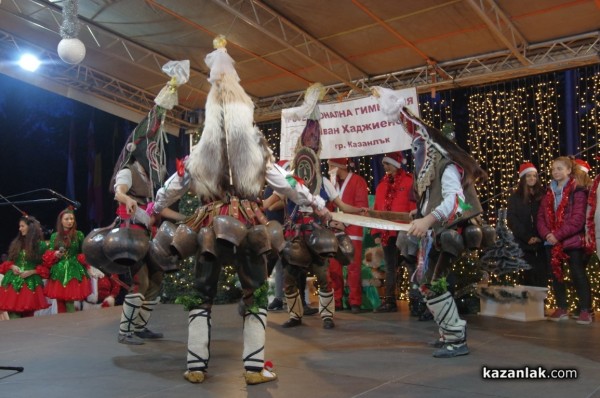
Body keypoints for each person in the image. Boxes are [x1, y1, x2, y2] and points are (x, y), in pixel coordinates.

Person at [149, 35, 331, 385]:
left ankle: (195, 365)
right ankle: (253, 367)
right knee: (255, 290)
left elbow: (172, 185)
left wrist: (154, 209)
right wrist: (317, 205)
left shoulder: (199, 152)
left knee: (202, 292)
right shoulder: (258, 151)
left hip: (208, 224)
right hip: (247, 222)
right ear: (243, 113)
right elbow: (289, 185)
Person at [372, 86, 487, 358]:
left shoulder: (445, 164)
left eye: (418, 145)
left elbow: (456, 202)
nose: (415, 149)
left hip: (450, 233)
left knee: (431, 283)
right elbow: (433, 199)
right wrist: (419, 213)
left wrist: (427, 219)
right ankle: (449, 333)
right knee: (428, 283)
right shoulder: (430, 167)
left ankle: (456, 339)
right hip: (439, 231)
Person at [537, 156, 592, 325]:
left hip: (571, 240)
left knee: (577, 274)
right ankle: (562, 307)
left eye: (560, 168)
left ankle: (585, 310)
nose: (555, 172)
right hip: (551, 242)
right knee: (555, 275)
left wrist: (558, 235)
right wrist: (547, 235)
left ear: (569, 170)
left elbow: (577, 219)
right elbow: (540, 217)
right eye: (553, 169)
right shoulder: (548, 193)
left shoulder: (578, 191)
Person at [371, 152, 416, 312]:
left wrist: (413, 227)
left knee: (410, 265)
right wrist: (376, 232)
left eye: (387, 164)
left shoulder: (410, 182)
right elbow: (377, 210)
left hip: (405, 231)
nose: (385, 167)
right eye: (383, 164)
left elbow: (413, 207)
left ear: (396, 165)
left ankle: (416, 300)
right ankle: (390, 301)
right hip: (387, 233)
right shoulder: (381, 186)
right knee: (390, 266)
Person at [327, 157, 369, 313]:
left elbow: (362, 207)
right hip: (333, 230)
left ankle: (355, 301)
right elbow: (326, 206)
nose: (328, 168)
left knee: (353, 267)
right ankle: (337, 300)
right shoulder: (331, 183)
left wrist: (344, 224)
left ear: (338, 166)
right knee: (334, 267)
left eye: (331, 165)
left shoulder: (358, 181)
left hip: (353, 229)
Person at [0, 215, 50, 318]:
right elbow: (9, 262)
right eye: (19, 226)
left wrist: (31, 272)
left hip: (30, 283)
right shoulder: (16, 243)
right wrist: (12, 267)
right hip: (13, 282)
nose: (20, 229)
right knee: (13, 314)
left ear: (30, 227)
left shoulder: (41, 246)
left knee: (28, 316)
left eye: (22, 226)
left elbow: (46, 268)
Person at [43, 207, 92, 313]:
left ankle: (72, 325)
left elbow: (82, 252)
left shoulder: (79, 234)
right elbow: (49, 252)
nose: (70, 221)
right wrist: (55, 254)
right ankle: (62, 326)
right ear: (61, 220)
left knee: (70, 302)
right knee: (59, 302)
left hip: (73, 271)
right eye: (67, 219)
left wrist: (85, 264)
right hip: (58, 271)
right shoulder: (54, 236)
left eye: (72, 219)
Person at [506, 162, 547, 287]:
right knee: (526, 279)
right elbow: (512, 220)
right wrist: (527, 237)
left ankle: (541, 306)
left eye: (534, 176)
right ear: (523, 178)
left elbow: (546, 217)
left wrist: (541, 236)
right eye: (529, 176)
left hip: (541, 243)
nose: (532, 178)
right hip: (523, 244)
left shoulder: (543, 195)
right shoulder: (514, 197)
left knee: (542, 279)